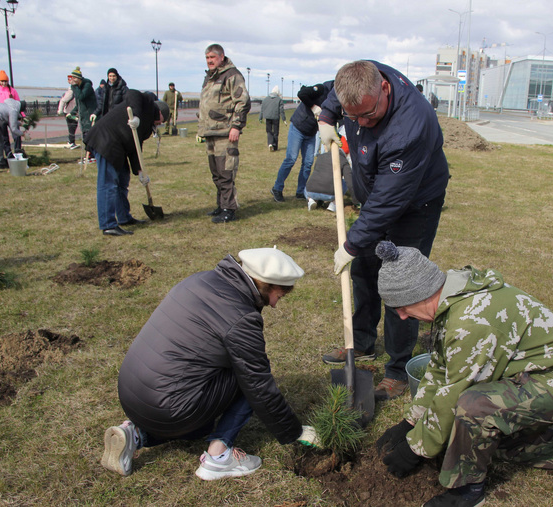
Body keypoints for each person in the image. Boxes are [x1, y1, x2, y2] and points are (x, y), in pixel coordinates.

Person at [372, 241, 553, 507]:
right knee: (481, 439)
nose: (402, 316)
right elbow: (440, 370)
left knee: (473, 408)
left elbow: (453, 394)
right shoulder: (451, 298)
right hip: (535, 373)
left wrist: (416, 448)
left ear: (421, 292)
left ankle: (467, 490)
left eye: (402, 307)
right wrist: (410, 422)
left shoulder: (470, 322)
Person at [101, 247, 320, 480]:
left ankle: (136, 434)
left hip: (132, 394)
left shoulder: (200, 279)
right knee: (248, 375)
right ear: (265, 285)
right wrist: (294, 432)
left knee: (203, 425)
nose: (275, 305)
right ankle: (219, 457)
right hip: (169, 407)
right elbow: (258, 384)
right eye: (279, 296)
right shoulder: (241, 317)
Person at [316, 60, 450, 400]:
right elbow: (338, 94)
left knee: (400, 285)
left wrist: (351, 243)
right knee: (362, 270)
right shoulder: (362, 79)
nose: (360, 123)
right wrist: (327, 117)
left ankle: (398, 370)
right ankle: (361, 343)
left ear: (385, 90)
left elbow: (388, 202)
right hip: (378, 196)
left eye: (368, 115)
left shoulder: (409, 127)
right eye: (353, 116)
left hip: (413, 205)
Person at [85, 89, 168, 236]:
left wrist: (140, 171)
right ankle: (108, 225)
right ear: (160, 112)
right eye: (162, 119)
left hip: (119, 146)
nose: (160, 123)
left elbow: (136, 146)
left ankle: (124, 217)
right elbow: (132, 93)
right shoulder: (147, 103)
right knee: (108, 184)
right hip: (105, 140)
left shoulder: (146, 126)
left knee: (123, 181)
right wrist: (135, 115)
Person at [198, 44, 251, 224]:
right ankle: (221, 205)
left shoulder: (232, 75)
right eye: (207, 58)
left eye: (212, 57)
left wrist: (236, 126)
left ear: (221, 57)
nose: (209, 61)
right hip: (211, 132)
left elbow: (242, 102)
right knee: (216, 172)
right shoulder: (210, 77)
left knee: (225, 171)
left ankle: (229, 209)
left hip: (225, 133)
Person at [269, 81, 332, 202]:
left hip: (311, 132)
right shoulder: (322, 89)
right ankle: (277, 188)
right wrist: (313, 106)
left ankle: (300, 191)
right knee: (291, 159)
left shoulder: (336, 98)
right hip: (298, 127)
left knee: (308, 163)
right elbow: (302, 94)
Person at [304, 136, 356, 213]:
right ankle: (333, 204)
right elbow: (350, 182)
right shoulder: (344, 161)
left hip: (310, 191)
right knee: (343, 182)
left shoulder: (320, 157)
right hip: (330, 195)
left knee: (313, 181)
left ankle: (311, 200)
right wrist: (356, 200)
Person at [0, 70, 22, 155]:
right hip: (1, 117)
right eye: (2, 81)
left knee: (16, 133)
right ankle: (8, 152)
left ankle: (18, 150)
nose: (4, 83)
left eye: (5, 81)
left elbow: (18, 102)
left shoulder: (12, 91)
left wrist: (21, 115)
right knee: (4, 136)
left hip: (12, 115)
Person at [68, 67, 98, 152]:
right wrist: (72, 112)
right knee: (85, 137)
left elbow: (80, 97)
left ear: (78, 78)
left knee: (89, 137)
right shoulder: (78, 87)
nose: (72, 80)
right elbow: (79, 103)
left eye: (74, 78)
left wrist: (74, 86)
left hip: (89, 115)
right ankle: (88, 155)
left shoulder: (87, 86)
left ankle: (91, 155)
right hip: (83, 116)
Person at [259, 85, 286, 151]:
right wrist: (284, 119)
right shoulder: (279, 100)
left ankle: (270, 143)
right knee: (276, 132)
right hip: (275, 117)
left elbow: (262, 109)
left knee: (269, 131)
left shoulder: (265, 99)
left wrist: (260, 117)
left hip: (267, 117)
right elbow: (281, 110)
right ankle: (275, 146)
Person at [57, 76, 79, 150]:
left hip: (74, 112)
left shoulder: (75, 90)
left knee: (73, 127)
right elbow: (63, 100)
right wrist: (60, 110)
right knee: (72, 127)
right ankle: (71, 142)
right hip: (69, 112)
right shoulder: (71, 91)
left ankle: (71, 142)